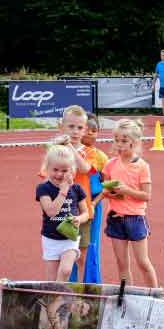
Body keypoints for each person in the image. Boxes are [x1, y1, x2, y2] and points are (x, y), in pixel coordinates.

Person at [102, 118, 158, 288]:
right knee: (122, 264)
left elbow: (146, 196)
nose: (119, 145)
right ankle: (128, 296)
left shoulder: (142, 166)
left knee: (142, 262)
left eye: (124, 141)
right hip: (115, 218)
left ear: (134, 142)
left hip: (135, 219)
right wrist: (111, 192)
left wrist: (125, 190)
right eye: (116, 140)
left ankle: (154, 294)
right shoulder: (110, 165)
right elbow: (106, 191)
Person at [39, 105, 93, 280]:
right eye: (71, 127)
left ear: (85, 130)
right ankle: (60, 292)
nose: (75, 131)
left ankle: (77, 290)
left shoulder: (86, 151)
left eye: (79, 128)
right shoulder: (55, 151)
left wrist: (69, 146)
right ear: (61, 127)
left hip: (80, 208)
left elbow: (84, 168)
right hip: (59, 209)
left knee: (81, 256)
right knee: (57, 262)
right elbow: (44, 175)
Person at [36, 144, 89, 282]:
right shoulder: (43, 189)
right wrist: (63, 191)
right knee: (51, 279)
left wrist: (78, 219)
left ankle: (59, 294)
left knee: (66, 270)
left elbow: (86, 213)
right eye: (55, 170)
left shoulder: (77, 189)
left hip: (69, 238)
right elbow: (51, 211)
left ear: (72, 171)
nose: (59, 174)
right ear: (47, 169)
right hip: (50, 239)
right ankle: (55, 299)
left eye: (64, 170)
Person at [78, 113, 109, 283]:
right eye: (86, 129)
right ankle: (70, 281)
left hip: (92, 207)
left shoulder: (101, 157)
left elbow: (107, 185)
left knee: (91, 244)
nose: (90, 133)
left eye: (94, 130)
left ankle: (90, 283)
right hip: (72, 206)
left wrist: (94, 202)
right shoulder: (72, 153)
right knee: (70, 245)